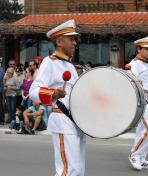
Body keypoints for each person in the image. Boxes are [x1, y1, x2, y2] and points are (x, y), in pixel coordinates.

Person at [29, 19, 86, 176]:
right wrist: (53, 93)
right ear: (59, 41)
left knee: (78, 169)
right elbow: (34, 91)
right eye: (71, 39)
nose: (75, 43)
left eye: (75, 39)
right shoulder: (50, 62)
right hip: (62, 119)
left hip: (76, 121)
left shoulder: (70, 65)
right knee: (68, 169)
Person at [128, 36, 148, 170]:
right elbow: (131, 83)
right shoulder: (135, 64)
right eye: (146, 49)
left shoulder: (144, 64)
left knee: (143, 129)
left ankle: (141, 158)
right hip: (140, 100)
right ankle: (134, 154)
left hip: (145, 99)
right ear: (138, 49)